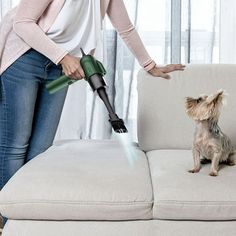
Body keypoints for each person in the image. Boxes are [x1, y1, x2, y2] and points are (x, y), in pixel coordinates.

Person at [0, 0, 185, 190]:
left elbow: (126, 29)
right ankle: (10, 217)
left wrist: (150, 65)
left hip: (60, 67)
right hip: (25, 59)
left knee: (40, 148)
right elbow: (22, 22)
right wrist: (63, 57)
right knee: (15, 147)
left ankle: (27, 210)